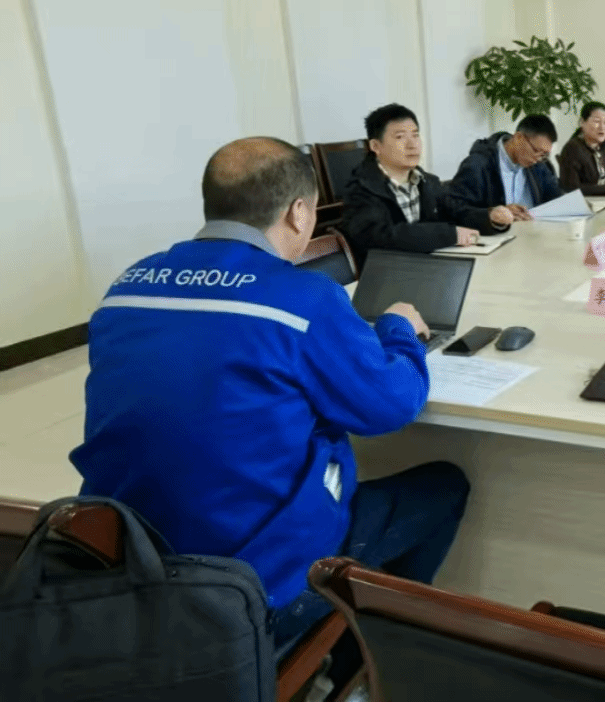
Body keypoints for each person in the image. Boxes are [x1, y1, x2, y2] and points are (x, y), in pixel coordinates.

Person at [71, 137, 470, 648]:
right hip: (251, 586)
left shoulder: (127, 285)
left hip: (128, 560)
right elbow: (392, 404)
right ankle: (365, 655)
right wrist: (399, 331)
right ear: (299, 213)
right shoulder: (304, 297)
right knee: (444, 487)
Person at [341, 103, 512, 268]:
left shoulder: (427, 181)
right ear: (375, 146)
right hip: (387, 274)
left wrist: (490, 217)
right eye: (400, 137)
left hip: (429, 267)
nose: (412, 144)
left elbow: (454, 212)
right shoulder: (360, 188)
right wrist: (450, 235)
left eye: (415, 135)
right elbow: (381, 237)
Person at [450, 114, 563, 214]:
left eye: (544, 155)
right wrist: (493, 213)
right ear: (518, 138)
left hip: (534, 229)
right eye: (536, 150)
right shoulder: (479, 164)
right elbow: (455, 207)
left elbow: (557, 199)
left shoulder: (538, 166)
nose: (538, 158)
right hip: (495, 230)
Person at [559, 102, 605, 196]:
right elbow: (571, 188)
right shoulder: (572, 148)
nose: (602, 127)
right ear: (582, 122)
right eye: (597, 121)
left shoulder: (599, 147)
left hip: (602, 201)